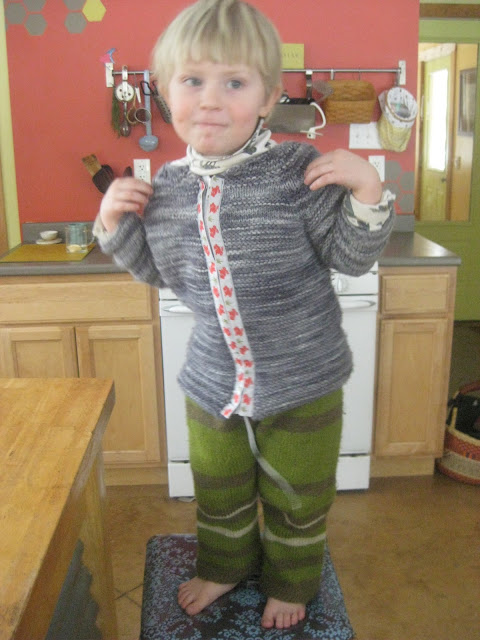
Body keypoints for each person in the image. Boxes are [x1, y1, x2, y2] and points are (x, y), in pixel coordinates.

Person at [95, 0, 395, 630]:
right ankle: (224, 566)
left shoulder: (297, 174)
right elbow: (158, 273)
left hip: (304, 381)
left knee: (299, 497)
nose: (210, 100)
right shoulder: (167, 188)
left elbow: (351, 256)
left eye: (234, 82)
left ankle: (292, 580)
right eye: (192, 80)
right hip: (213, 383)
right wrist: (113, 224)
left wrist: (369, 191)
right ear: (164, 91)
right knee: (218, 489)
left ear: (266, 98)